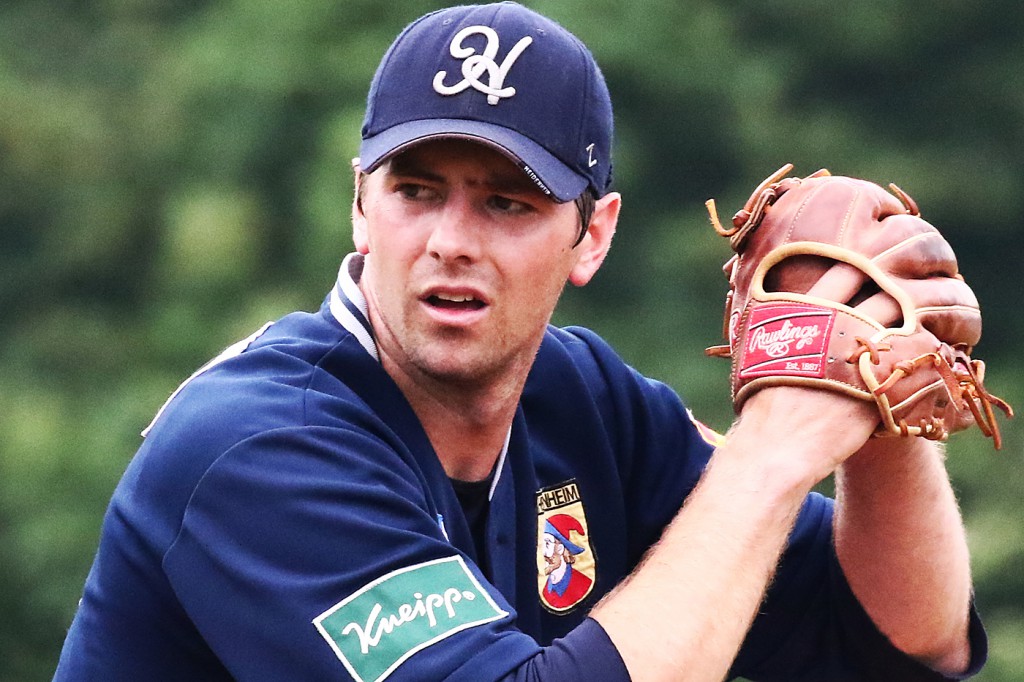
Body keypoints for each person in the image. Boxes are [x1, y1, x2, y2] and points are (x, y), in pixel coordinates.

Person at [54, 2, 987, 680]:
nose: (451, 239)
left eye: (508, 201)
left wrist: (877, 405)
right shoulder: (256, 446)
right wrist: (776, 445)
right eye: (417, 190)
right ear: (360, 207)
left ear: (595, 234)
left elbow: (902, 642)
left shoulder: (585, 403)